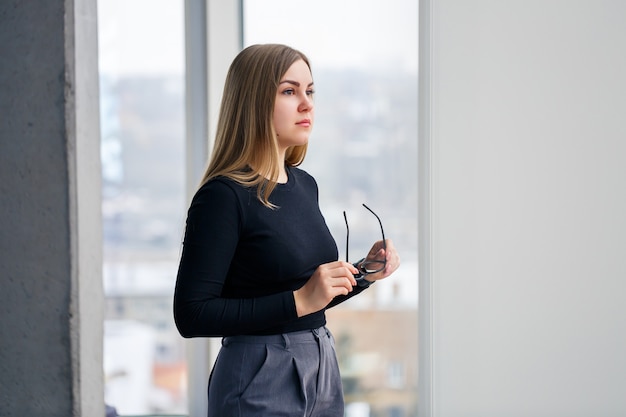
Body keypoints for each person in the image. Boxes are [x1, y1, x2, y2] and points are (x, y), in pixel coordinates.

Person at [173, 43, 400, 416]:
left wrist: (365, 271)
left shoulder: (304, 185)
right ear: (254, 102)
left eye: (309, 91)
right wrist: (300, 301)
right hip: (259, 373)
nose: (307, 104)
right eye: (289, 91)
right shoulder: (223, 196)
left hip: (321, 363)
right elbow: (192, 314)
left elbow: (309, 296)